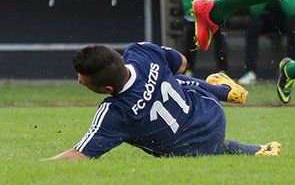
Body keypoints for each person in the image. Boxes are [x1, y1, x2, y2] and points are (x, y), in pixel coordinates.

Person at [48, 43, 281, 159]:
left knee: (171, 83)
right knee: (172, 78)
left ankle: (224, 91)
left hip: (190, 152)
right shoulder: (140, 52)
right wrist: (155, 78)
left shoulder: (115, 113)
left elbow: (79, 154)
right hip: (211, 113)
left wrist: (42, 163)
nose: (78, 80)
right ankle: (224, 92)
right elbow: (182, 62)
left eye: (82, 79)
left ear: (108, 89)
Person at [238, 0, 295, 84]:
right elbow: (255, 12)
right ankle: (250, 72)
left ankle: (292, 71)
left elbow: (291, 11)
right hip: (265, 18)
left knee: (294, 25)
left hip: (284, 18)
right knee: (253, 25)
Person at [181, 0, 230, 76]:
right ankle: (188, 69)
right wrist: (202, 16)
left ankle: (222, 70)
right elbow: (187, 6)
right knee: (191, 34)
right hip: (195, 20)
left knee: (220, 34)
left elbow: (222, 5)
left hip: (215, 18)